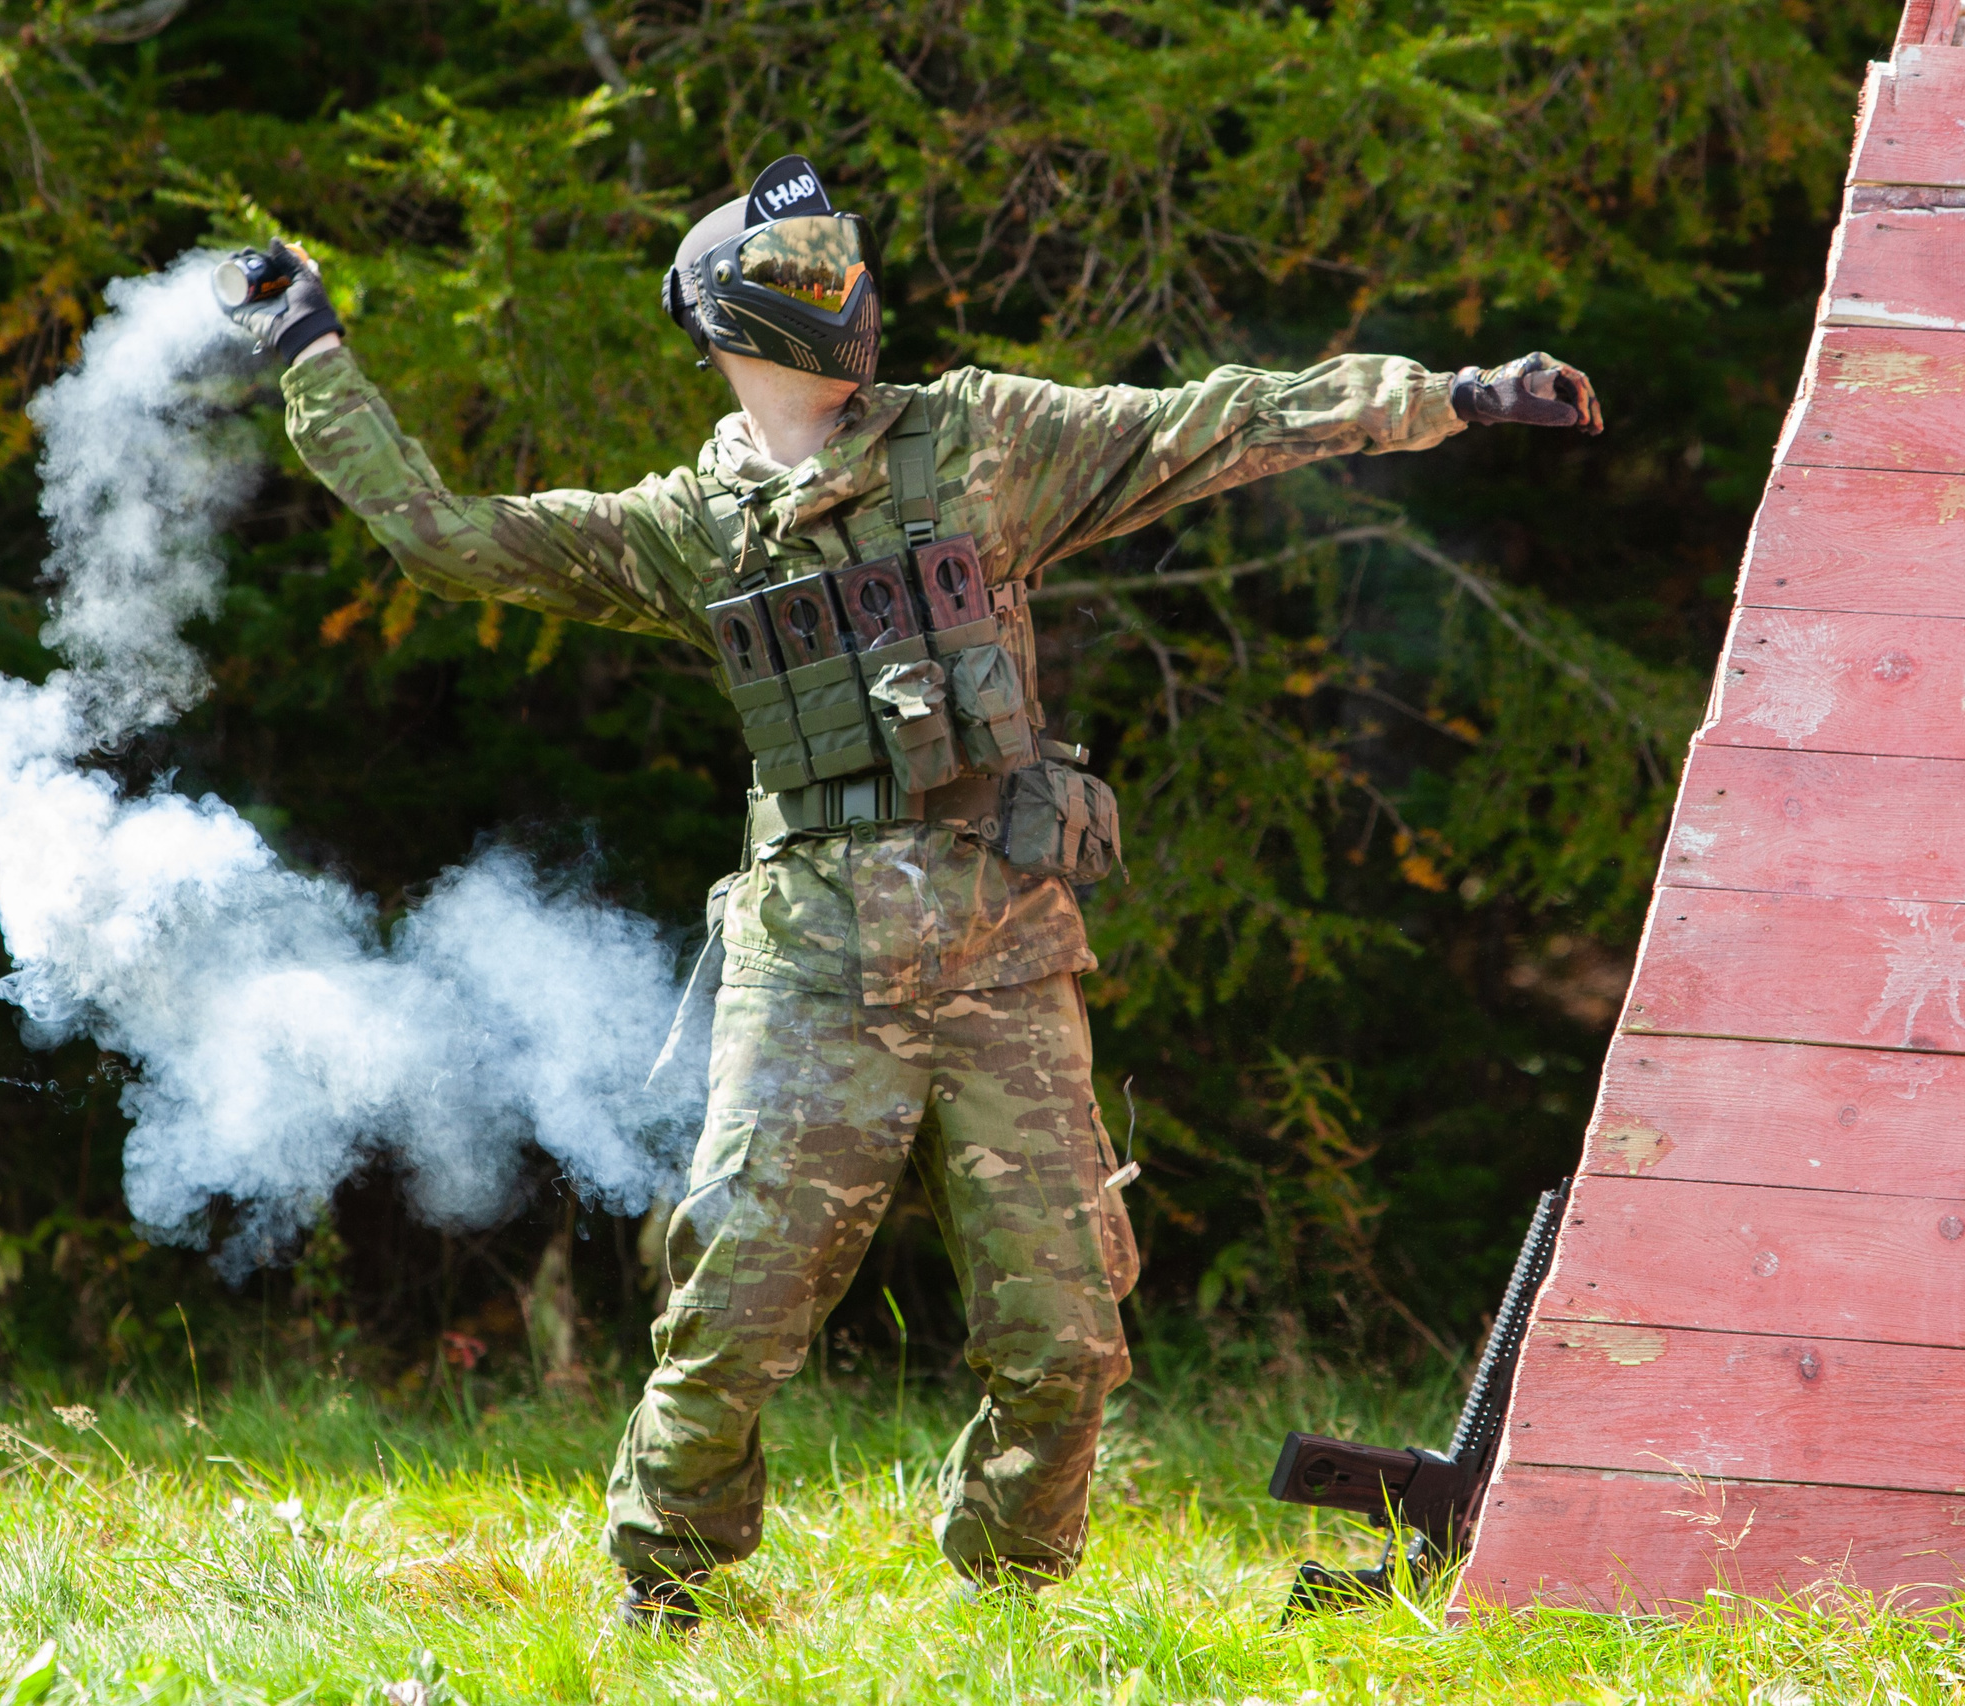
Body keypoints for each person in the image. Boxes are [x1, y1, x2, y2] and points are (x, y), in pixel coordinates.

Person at [224, 153, 1601, 1631]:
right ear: (735, 322)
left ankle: (1010, 1603)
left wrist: (1449, 393)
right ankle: (668, 1596)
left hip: (1006, 959)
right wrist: (313, 355)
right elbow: (445, 535)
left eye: (845, 277)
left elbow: (1218, 422)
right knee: (732, 1314)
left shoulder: (984, 440)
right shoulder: (695, 525)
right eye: (814, 286)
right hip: (812, 970)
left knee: (1067, 1338)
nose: (849, 305)